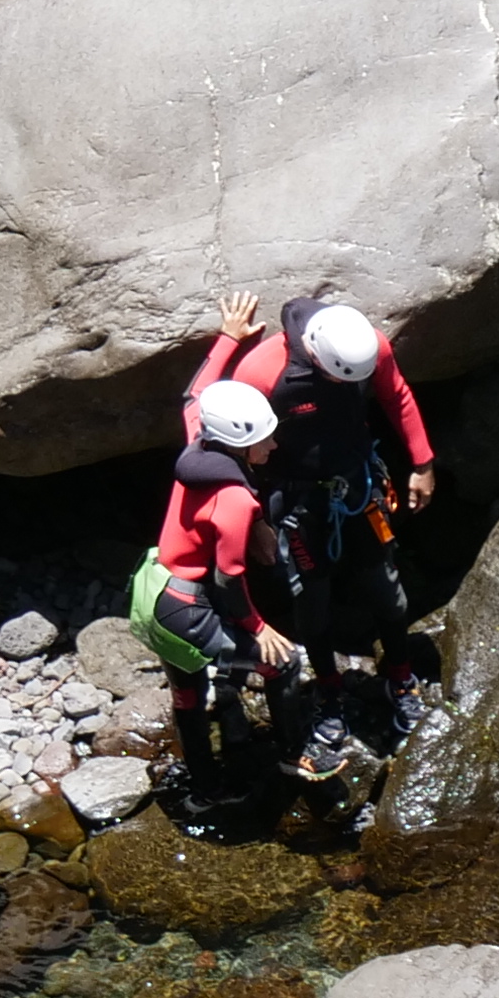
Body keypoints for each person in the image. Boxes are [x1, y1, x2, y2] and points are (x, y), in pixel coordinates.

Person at [200, 290, 435, 775]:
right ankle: (328, 694)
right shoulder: (263, 371)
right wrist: (258, 520)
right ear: (314, 354)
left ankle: (399, 676)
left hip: (357, 486)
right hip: (297, 501)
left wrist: (423, 461)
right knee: (312, 603)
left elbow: (397, 394)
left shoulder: (368, 344)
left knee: (387, 594)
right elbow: (229, 448)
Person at [134, 378, 307, 832]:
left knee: (188, 697)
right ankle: (293, 756)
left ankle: (204, 792)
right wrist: (257, 627)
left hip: (155, 591)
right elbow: (228, 578)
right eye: (261, 439)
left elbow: (194, 396)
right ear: (238, 445)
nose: (272, 444)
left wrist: (229, 336)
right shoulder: (234, 500)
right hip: (188, 611)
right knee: (284, 664)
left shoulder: (199, 443)